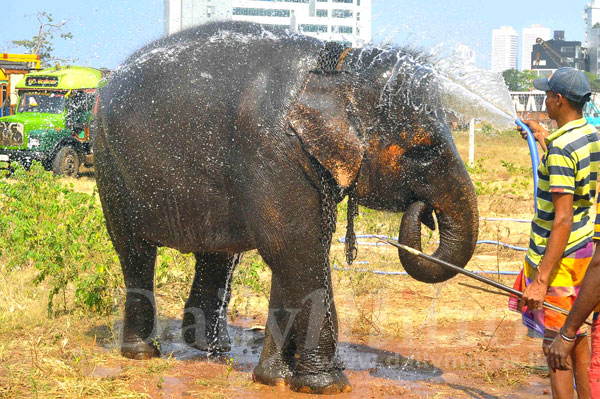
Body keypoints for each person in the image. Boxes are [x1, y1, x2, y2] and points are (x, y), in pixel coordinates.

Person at [515, 67, 600, 399]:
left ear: (559, 99)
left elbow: (562, 218)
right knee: (578, 338)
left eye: (547, 95)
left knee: (556, 350)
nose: (544, 100)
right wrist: (541, 140)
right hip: (584, 253)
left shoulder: (562, 148)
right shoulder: (590, 134)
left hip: (560, 259)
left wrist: (542, 278)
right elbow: (575, 180)